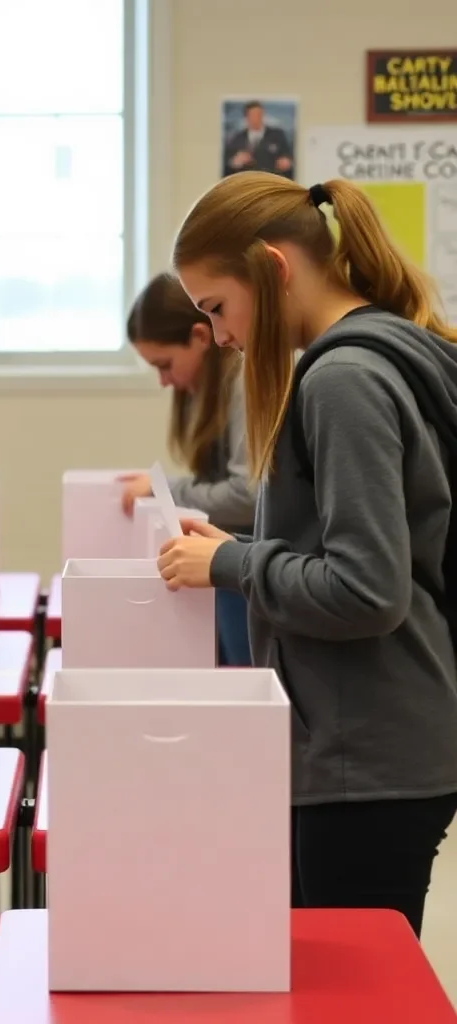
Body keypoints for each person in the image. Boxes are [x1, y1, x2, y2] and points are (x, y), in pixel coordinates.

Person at [157, 170, 457, 938]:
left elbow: (368, 588)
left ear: (275, 266)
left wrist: (231, 566)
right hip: (372, 740)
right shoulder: (375, 357)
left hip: (368, 751)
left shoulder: (344, 380)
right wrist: (244, 546)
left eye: (218, 308)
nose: (221, 336)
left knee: (353, 996)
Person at [121, 272, 254, 666]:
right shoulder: (208, 390)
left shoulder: (243, 381)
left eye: (165, 364)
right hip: (229, 565)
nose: (164, 381)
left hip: (245, 561)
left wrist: (163, 489)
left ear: (200, 336)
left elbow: (247, 494)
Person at [223, 101, 294, 179]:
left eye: (259, 114)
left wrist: (286, 161)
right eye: (253, 115)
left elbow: (288, 156)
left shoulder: (277, 135)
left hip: (271, 181)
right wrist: (235, 161)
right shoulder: (237, 138)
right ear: (246, 117)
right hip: (247, 182)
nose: (257, 118)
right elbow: (228, 164)